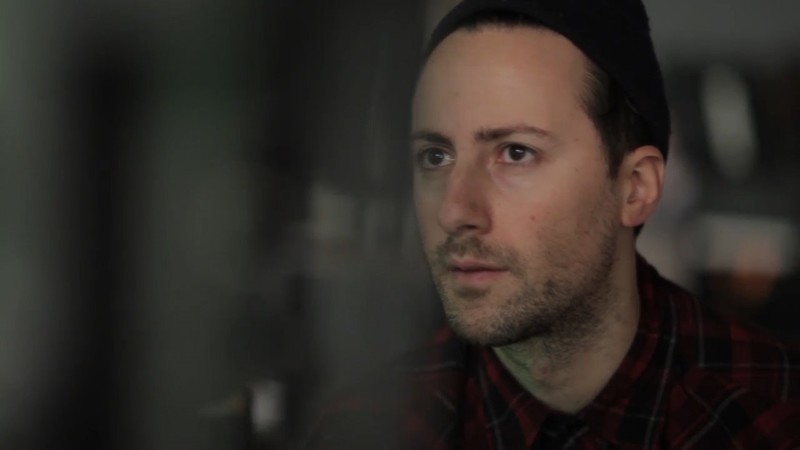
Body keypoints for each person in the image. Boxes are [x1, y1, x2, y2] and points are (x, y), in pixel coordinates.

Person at [308, 0, 800, 448]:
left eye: (516, 153)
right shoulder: (366, 429)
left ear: (635, 188)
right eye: (435, 156)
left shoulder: (772, 417)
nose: (454, 211)